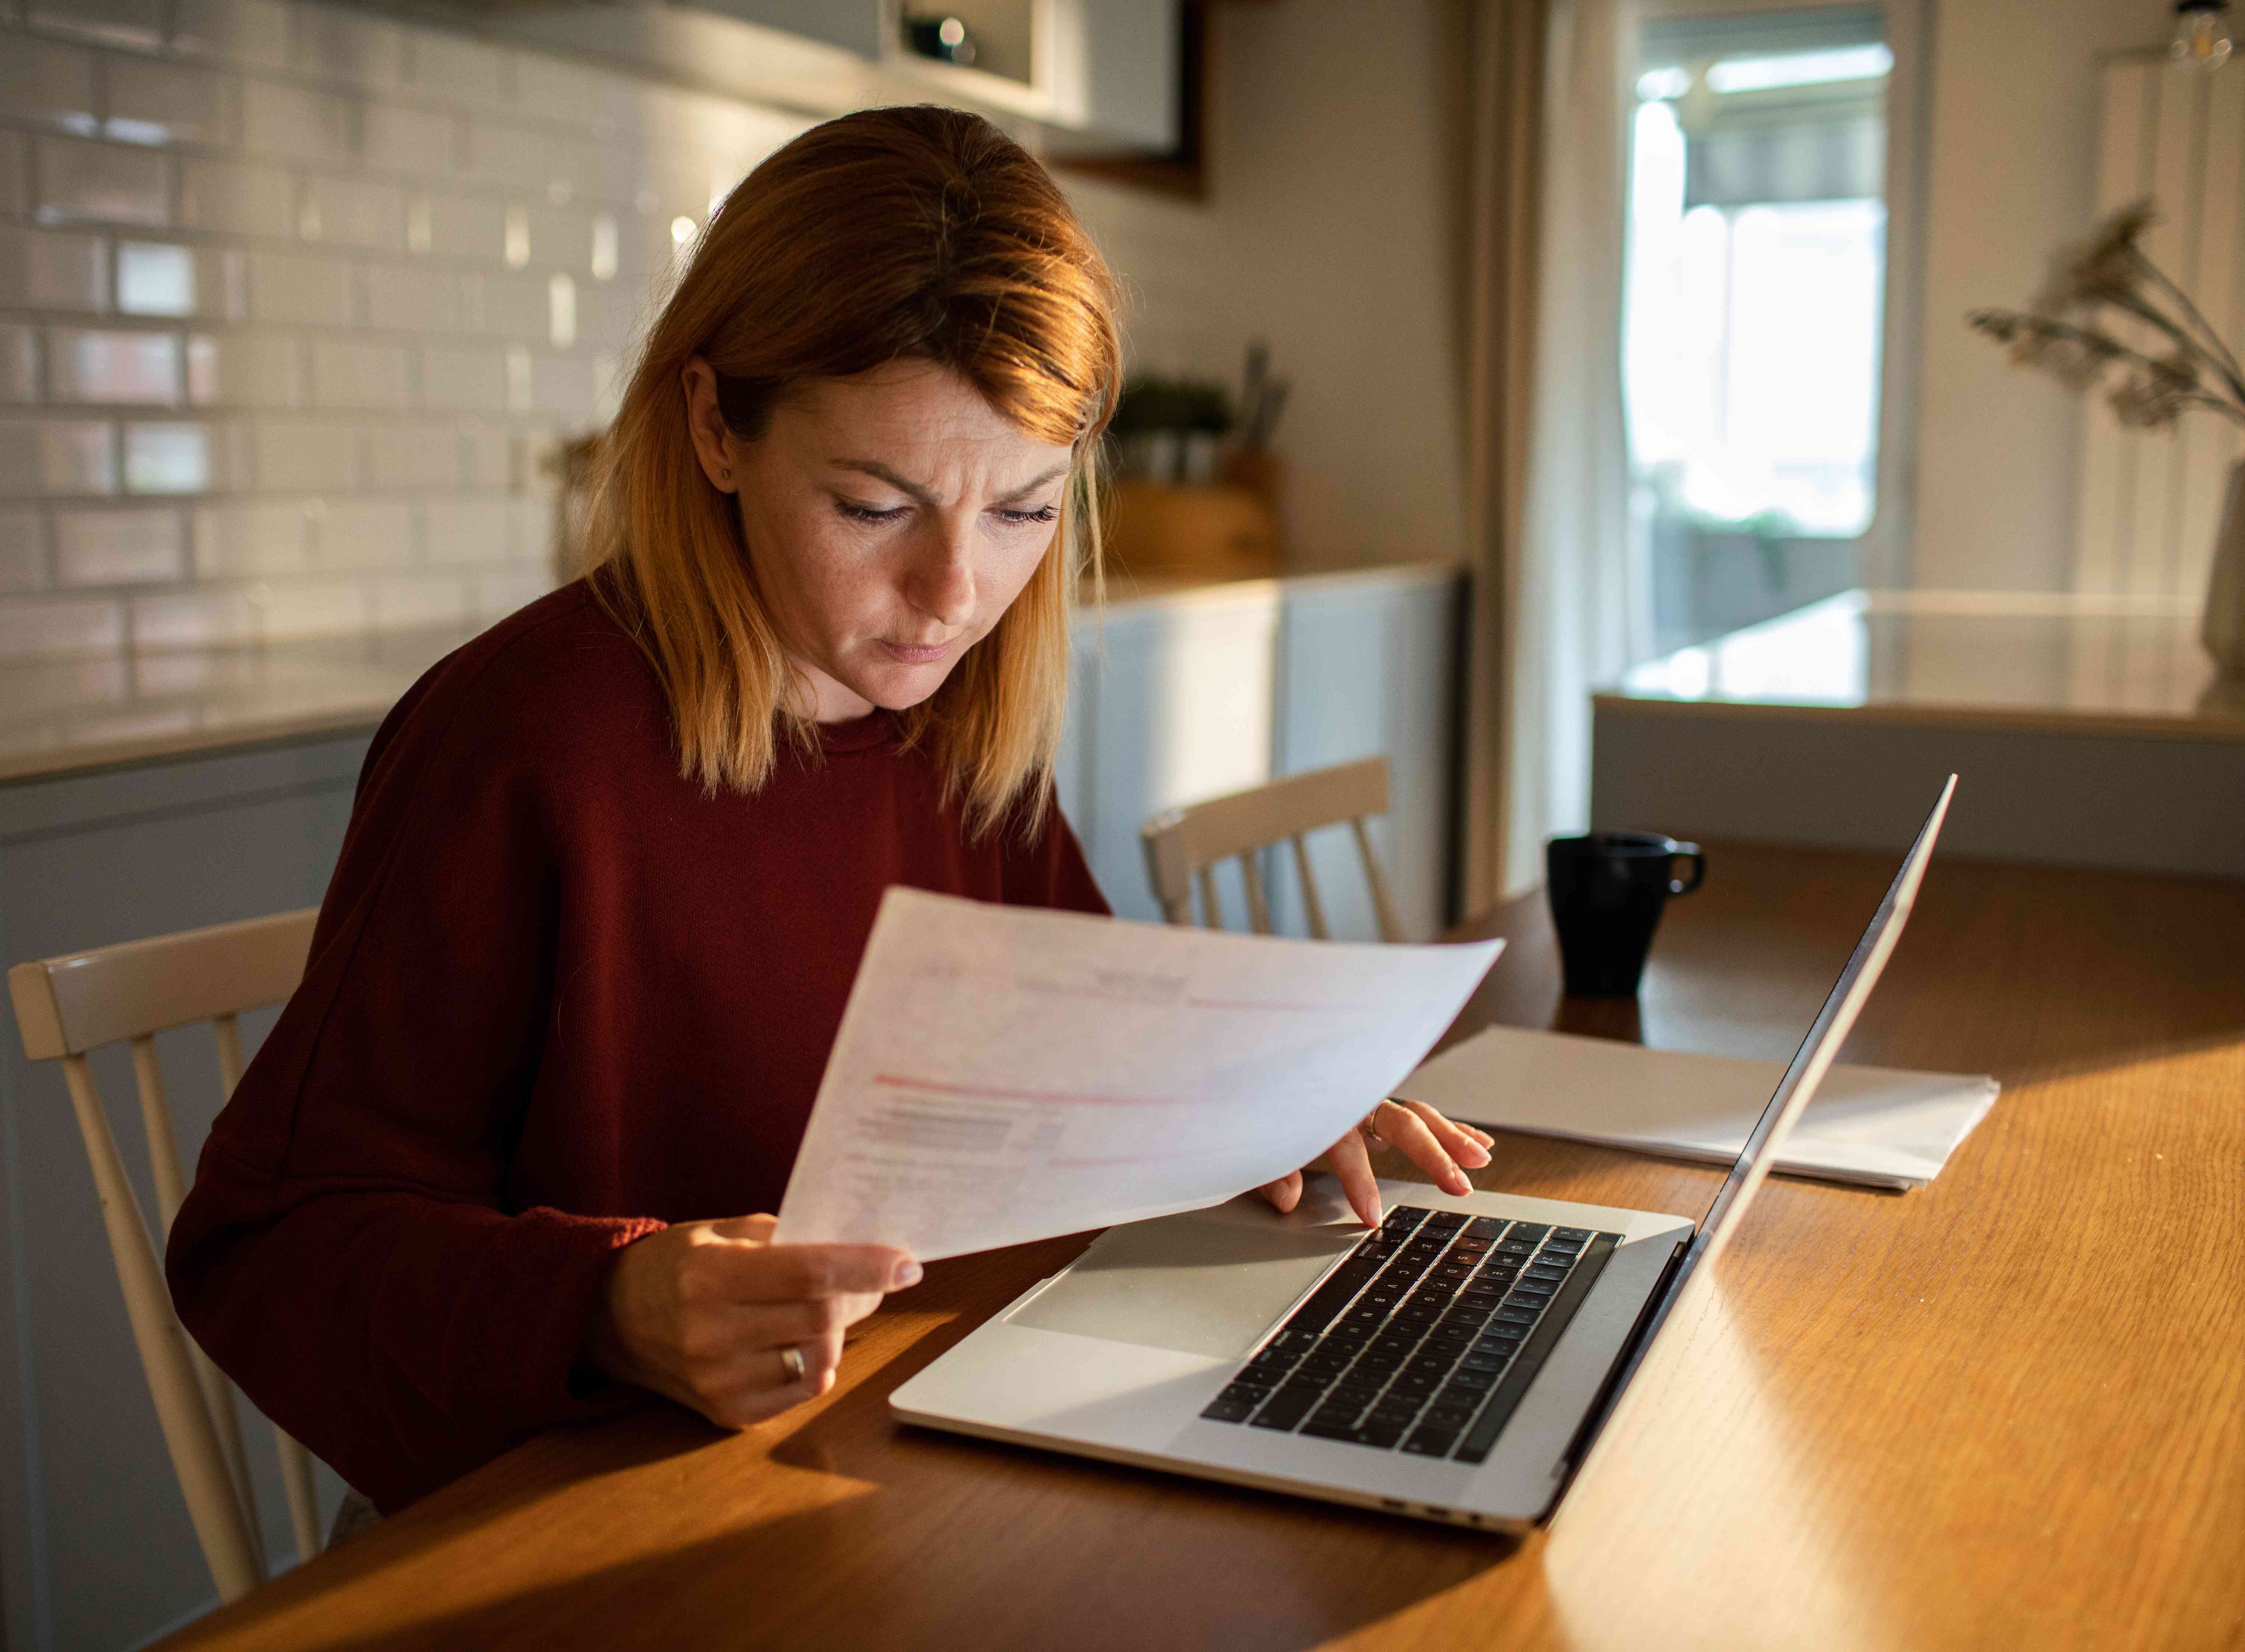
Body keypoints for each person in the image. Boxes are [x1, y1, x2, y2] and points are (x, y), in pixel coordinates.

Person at [166, 105, 1493, 1519]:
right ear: (713, 428)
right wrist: (611, 1301)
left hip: (915, 1466)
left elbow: (1076, 1060)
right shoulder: (524, 745)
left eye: (1024, 513)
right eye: (874, 507)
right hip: (626, 1522)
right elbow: (271, 1250)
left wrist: (1254, 1110)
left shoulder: (961, 723)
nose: (956, 597)